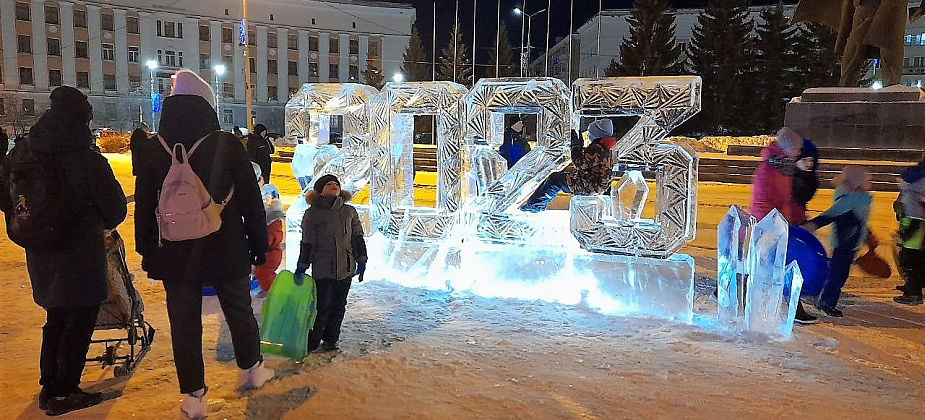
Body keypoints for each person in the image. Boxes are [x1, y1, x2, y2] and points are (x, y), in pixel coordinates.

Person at [132, 69, 273, 419]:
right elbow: (253, 203)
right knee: (238, 310)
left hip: (174, 250)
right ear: (207, 103)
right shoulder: (226, 144)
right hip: (226, 247)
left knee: (184, 323)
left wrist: (147, 251)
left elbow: (144, 204)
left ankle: (193, 397)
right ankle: (252, 369)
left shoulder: (154, 147)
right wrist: (259, 246)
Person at [0, 86, 127, 416]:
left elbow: (6, 198)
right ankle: (64, 391)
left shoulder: (24, 151)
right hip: (79, 253)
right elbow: (115, 211)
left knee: (56, 316)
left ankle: (51, 387)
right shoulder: (86, 159)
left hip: (40, 251)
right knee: (79, 319)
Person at [750, 127, 818, 324]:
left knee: (771, 266)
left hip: (778, 226)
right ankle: (795, 310)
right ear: (786, 148)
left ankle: (795, 309)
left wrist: (796, 219)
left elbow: (787, 201)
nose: (799, 152)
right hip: (768, 227)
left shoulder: (783, 168)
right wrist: (774, 225)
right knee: (776, 266)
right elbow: (761, 202)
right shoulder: (769, 170)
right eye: (796, 148)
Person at [296, 174, 368, 353]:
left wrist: (361, 260)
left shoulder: (349, 211)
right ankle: (312, 342)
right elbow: (308, 242)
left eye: (336, 183)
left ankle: (331, 339)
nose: (334, 185)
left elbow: (357, 236)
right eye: (329, 184)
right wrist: (302, 266)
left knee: (339, 306)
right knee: (321, 307)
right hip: (323, 269)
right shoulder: (312, 213)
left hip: (346, 268)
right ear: (320, 190)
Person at [802, 166, 873, 317]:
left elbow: (861, 221)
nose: (869, 183)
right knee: (837, 275)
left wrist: (868, 235)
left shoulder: (859, 198)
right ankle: (826, 302)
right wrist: (813, 224)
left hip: (851, 241)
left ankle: (824, 298)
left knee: (838, 273)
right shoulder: (850, 199)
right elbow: (831, 214)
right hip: (844, 243)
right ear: (857, 183)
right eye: (866, 180)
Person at [521, 119, 616, 212]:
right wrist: (580, 147)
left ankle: (536, 205)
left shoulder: (597, 148)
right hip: (595, 184)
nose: (589, 136)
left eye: (590, 134)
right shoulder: (606, 148)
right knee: (563, 177)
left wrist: (575, 146)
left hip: (589, 186)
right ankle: (537, 203)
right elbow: (589, 163)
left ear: (597, 135)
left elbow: (579, 163)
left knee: (555, 180)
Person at [893, 161, 925, 305]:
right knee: (911, 263)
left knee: (910, 265)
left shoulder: (912, 195)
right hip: (914, 236)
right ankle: (910, 287)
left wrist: (903, 236)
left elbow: (915, 220)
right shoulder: (915, 194)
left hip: (912, 239)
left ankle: (913, 293)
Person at [252, 162, 285, 294]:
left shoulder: (271, 224)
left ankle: (272, 293)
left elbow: (268, 240)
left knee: (264, 273)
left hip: (268, 253)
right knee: (262, 273)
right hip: (268, 251)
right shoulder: (266, 194)